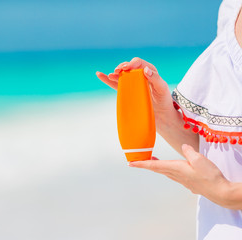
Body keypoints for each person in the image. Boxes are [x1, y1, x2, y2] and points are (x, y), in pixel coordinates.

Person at [96, 0, 242, 239]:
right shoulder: (231, 9)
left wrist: (225, 194)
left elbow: (223, 187)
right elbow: (226, 158)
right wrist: (163, 115)